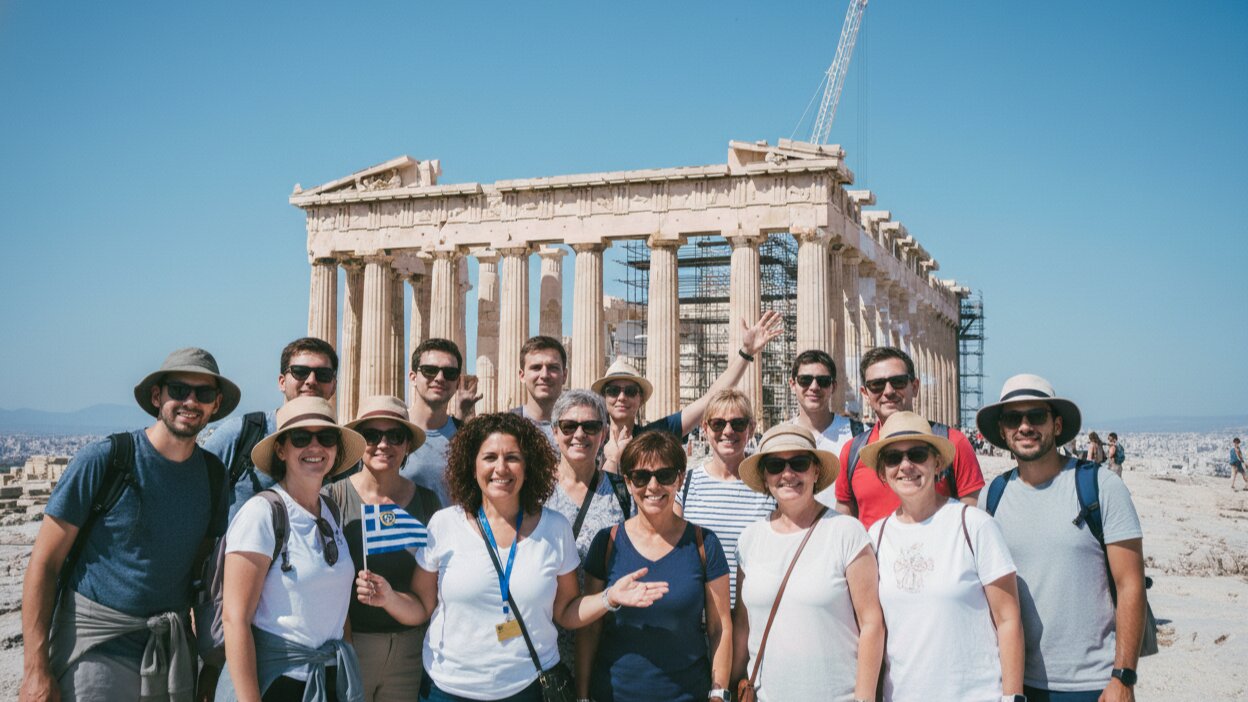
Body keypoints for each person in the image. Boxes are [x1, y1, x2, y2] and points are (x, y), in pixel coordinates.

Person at [353, 412, 667, 702]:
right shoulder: (444, 524)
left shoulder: (555, 528)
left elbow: (566, 612)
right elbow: (422, 607)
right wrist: (389, 598)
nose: (501, 468)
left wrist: (610, 597)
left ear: (528, 467)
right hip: (449, 689)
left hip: (528, 687)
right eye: (489, 457)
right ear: (472, 465)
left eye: (512, 458)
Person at [20, 348, 239, 702]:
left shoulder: (214, 476)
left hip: (171, 653)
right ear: (157, 396)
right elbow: (44, 563)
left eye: (203, 393)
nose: (191, 401)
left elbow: (201, 575)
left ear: (215, 405)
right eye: (179, 390)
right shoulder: (106, 460)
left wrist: (211, 664)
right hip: (97, 649)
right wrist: (35, 669)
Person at [977, 374, 1146, 702]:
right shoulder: (992, 496)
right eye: (1013, 419)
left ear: (1056, 425)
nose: (1024, 427)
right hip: (1015, 682)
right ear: (1002, 430)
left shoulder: (1101, 487)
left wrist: (1124, 676)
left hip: (1091, 684)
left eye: (1036, 416)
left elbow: (1131, 584)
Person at [860, 412, 1024, 702]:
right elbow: (873, 626)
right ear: (883, 472)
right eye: (893, 458)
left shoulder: (974, 525)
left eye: (917, 454)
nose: (906, 466)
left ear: (937, 463)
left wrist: (1013, 698)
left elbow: (1008, 619)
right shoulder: (877, 536)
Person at [216, 396, 366, 701]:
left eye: (326, 437)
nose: (315, 446)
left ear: (336, 449)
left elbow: (336, 607)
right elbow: (235, 619)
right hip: (277, 682)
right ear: (281, 450)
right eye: (300, 437)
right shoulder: (261, 514)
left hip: (327, 677)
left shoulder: (330, 511)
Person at [732, 424, 884, 702]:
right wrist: (725, 687)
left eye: (799, 463)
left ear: (816, 471)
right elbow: (743, 626)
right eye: (775, 465)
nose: (787, 474)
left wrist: (864, 698)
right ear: (765, 476)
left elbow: (872, 622)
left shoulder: (846, 532)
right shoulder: (749, 539)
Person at [579, 431, 733, 702]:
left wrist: (718, 694)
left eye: (665, 475)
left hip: (687, 695)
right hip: (613, 695)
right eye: (641, 477)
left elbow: (719, 628)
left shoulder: (704, 544)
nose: (653, 486)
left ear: (680, 479)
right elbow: (590, 629)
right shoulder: (606, 543)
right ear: (628, 482)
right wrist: (581, 696)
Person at [323, 396, 441, 702]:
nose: (383, 444)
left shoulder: (428, 502)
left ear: (407, 445)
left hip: (410, 650)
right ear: (359, 442)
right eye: (371, 435)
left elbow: (431, 588)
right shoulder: (331, 498)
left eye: (395, 436)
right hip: (350, 646)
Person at [592, 312, 783, 474]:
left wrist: (746, 353)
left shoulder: (653, 436)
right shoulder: (587, 435)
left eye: (630, 391)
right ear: (604, 397)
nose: (622, 397)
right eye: (613, 391)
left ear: (640, 398)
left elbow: (710, 399)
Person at [828, 346, 986, 528]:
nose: (888, 391)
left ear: (915, 387)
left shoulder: (953, 442)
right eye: (877, 385)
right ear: (865, 394)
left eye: (898, 382)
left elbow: (971, 522)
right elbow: (845, 525)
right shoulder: (853, 452)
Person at [205, 337, 339, 520]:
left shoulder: (336, 446)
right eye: (300, 372)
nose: (311, 380)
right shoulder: (240, 433)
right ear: (282, 382)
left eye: (323, 374)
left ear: (334, 385)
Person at [544, 389, 631, 666]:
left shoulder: (623, 492)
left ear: (603, 434)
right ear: (555, 432)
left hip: (608, 640)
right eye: (569, 426)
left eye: (590, 426)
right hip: (545, 643)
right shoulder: (534, 492)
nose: (579, 434)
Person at [675, 389, 774, 605]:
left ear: (751, 428)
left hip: (754, 614)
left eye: (738, 423)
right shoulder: (685, 485)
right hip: (699, 614)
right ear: (705, 428)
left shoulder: (769, 487)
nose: (728, 431)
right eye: (718, 424)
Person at [403, 338, 476, 506]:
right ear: (413, 378)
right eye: (429, 370)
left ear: (457, 383)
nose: (440, 378)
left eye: (450, 373)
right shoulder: (389, 434)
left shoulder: (468, 439)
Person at [788, 349, 862, 454]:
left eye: (823, 381)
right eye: (805, 380)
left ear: (834, 387)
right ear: (792, 385)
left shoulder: (859, 435)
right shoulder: (779, 437)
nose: (814, 387)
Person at [508, 336, 568, 450]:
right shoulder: (505, 427)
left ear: (564, 375)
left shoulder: (582, 428)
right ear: (522, 376)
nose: (544, 375)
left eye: (553, 368)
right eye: (536, 368)